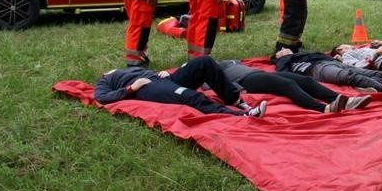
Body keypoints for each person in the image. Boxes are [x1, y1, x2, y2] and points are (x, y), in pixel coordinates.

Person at [94, 56, 266, 117]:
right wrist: (132, 88)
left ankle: (234, 99)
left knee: (204, 62)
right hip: (148, 88)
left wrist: (161, 72)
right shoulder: (104, 81)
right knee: (189, 95)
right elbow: (102, 97)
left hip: (163, 78)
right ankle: (241, 115)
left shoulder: (128, 69)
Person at [218, 60, 371, 113]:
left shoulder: (229, 62)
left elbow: (240, 63)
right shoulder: (212, 70)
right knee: (287, 85)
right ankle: (323, 108)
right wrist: (237, 87)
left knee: (305, 81)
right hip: (247, 80)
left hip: (258, 72)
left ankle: (343, 100)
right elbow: (214, 84)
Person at [272, 48, 382, 92]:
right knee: (347, 76)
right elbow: (283, 74)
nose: (283, 49)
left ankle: (364, 86)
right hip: (318, 69)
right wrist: (283, 57)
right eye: (281, 50)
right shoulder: (285, 61)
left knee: (380, 76)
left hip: (333, 63)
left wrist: (336, 59)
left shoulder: (302, 53)